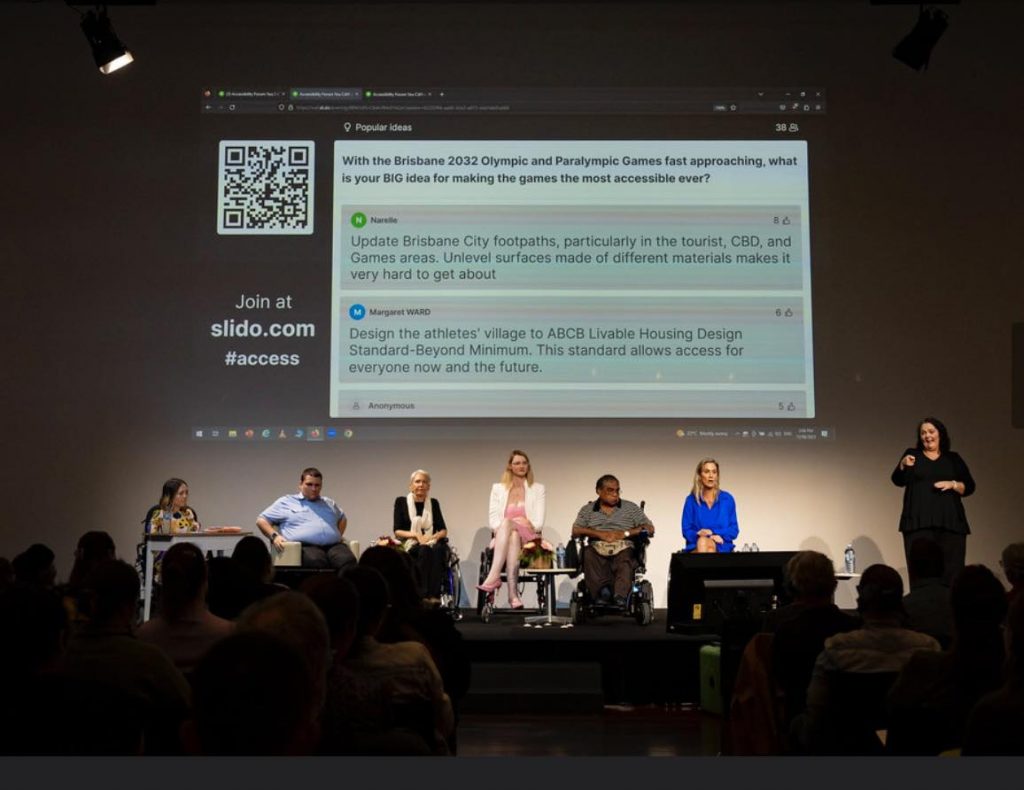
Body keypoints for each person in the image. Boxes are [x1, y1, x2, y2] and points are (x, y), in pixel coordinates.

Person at [891, 417, 975, 584]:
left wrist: (952, 484)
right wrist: (902, 464)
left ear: (940, 434)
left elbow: (970, 486)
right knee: (921, 574)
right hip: (918, 523)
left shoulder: (953, 458)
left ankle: (950, 607)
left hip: (950, 523)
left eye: (931, 431)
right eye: (923, 433)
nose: (927, 436)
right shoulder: (912, 455)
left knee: (951, 574)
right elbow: (897, 480)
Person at [571, 475, 655, 607]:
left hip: (623, 546)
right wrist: (599, 533)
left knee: (626, 556)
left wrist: (625, 533)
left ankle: (620, 595)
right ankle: (601, 593)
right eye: (610, 490)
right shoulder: (587, 510)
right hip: (597, 547)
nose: (615, 494)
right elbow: (575, 531)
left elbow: (650, 529)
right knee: (587, 553)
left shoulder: (630, 508)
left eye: (617, 490)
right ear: (598, 491)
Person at [476, 450, 546, 609]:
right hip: (505, 537)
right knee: (512, 534)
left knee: (507, 523)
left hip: (529, 538)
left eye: (524, 463)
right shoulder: (498, 488)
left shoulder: (538, 488)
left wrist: (521, 522)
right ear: (510, 466)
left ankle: (493, 576)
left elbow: (538, 523)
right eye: (517, 463)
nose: (521, 466)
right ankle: (513, 596)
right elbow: (494, 520)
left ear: (528, 466)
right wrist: (516, 523)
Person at [257, 467, 355, 572]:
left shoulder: (329, 503)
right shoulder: (286, 502)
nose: (314, 488)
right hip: (305, 546)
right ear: (300, 484)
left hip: (334, 546)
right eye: (309, 484)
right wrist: (274, 536)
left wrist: (338, 535)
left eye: (317, 485)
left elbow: (342, 518)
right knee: (317, 561)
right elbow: (262, 520)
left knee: (348, 561)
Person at [393, 469, 449, 601]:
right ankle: (422, 595)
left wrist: (433, 537)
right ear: (411, 485)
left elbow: (443, 529)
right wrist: (417, 536)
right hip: (411, 543)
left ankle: (434, 596)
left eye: (424, 482)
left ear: (429, 486)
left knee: (438, 550)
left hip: (431, 541)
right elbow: (397, 530)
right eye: (417, 481)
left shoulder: (433, 503)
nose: (421, 484)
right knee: (424, 550)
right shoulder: (401, 502)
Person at [681, 457, 738, 553]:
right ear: (699, 475)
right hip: (696, 545)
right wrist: (700, 534)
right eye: (707, 472)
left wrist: (714, 533)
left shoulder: (727, 499)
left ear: (717, 476)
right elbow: (686, 530)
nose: (711, 475)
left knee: (708, 546)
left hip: (722, 545)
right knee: (703, 543)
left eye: (714, 472)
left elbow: (734, 530)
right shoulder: (691, 500)